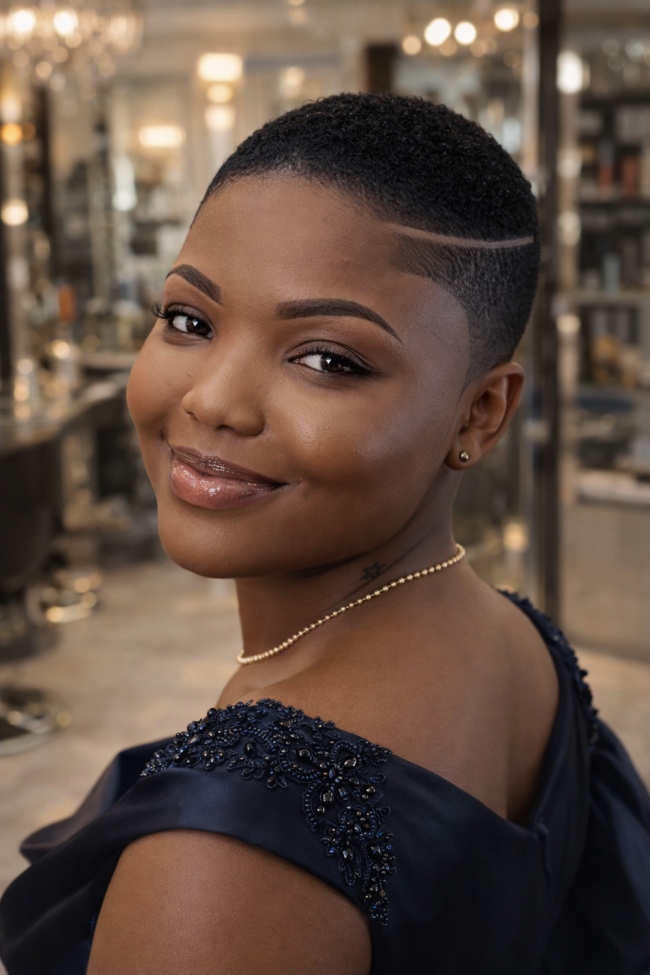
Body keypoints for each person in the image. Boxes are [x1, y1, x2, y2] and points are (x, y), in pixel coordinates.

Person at [1, 93, 649, 975]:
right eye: (189, 320)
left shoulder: (225, 870)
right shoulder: (515, 639)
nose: (214, 401)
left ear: (481, 412)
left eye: (327, 360)